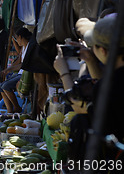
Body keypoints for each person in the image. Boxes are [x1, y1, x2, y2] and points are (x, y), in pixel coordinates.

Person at [53, 14, 124, 160]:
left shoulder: (110, 86)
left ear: (103, 51)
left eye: (94, 46)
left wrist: (63, 72)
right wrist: (90, 59)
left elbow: (79, 107)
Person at [0, 27, 32, 113]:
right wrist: (8, 69)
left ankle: (17, 107)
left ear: (20, 37)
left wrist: (10, 69)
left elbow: (22, 65)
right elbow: (19, 61)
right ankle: (10, 110)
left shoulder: (29, 47)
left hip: (25, 74)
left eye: (17, 38)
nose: (17, 41)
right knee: (0, 87)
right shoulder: (23, 48)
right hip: (20, 73)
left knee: (5, 86)